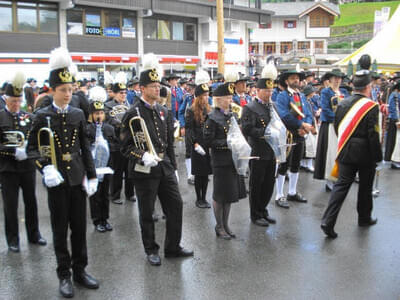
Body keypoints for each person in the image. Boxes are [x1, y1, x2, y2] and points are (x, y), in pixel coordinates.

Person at [27, 47, 99, 298]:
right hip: (56, 181)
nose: (68, 94)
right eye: (63, 90)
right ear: (52, 90)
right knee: (60, 229)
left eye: (70, 90)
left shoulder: (78, 113)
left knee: (79, 228)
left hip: (76, 178)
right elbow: (32, 149)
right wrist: (44, 167)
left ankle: (80, 270)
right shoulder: (41, 116)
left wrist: (91, 175)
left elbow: (85, 148)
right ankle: (64, 274)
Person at [120, 53, 193, 266]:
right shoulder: (133, 112)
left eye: (158, 85)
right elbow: (124, 145)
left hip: (164, 167)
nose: (157, 89)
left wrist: (174, 168)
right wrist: (141, 155)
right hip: (144, 170)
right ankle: (151, 249)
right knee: (147, 212)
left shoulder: (164, 111)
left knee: (176, 206)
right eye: (152, 86)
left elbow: (169, 143)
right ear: (142, 88)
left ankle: (173, 246)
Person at [321, 57, 383, 239]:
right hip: (365, 153)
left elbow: (337, 126)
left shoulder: (342, 102)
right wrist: (377, 156)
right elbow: (373, 134)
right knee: (365, 187)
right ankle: (364, 217)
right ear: (367, 87)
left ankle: (328, 221)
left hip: (346, 149)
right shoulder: (371, 106)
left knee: (340, 187)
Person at [0, 72, 46, 253]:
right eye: (13, 102)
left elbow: (35, 140)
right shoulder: (1, 117)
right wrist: (12, 150)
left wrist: (29, 150)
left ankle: (34, 235)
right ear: (6, 100)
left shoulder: (29, 117)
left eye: (18, 102)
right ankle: (13, 239)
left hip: (27, 167)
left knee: (31, 202)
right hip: (8, 168)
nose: (16, 105)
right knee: (10, 205)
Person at [204, 82, 243, 239]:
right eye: (227, 97)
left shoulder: (232, 115)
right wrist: (227, 142)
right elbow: (208, 141)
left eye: (231, 97)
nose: (230, 100)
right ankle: (219, 226)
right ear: (218, 99)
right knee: (220, 195)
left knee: (229, 195)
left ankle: (226, 224)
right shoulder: (212, 118)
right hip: (220, 161)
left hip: (232, 160)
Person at [241, 64, 278, 227]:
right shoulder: (249, 108)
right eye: (266, 91)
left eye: (271, 91)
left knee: (269, 183)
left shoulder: (272, 106)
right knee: (256, 184)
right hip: (257, 150)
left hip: (271, 151)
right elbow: (248, 129)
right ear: (258, 90)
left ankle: (263, 210)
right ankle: (255, 214)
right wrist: (265, 132)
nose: (269, 94)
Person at [275, 69, 314, 208]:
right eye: (292, 78)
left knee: (296, 163)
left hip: (300, 133)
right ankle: (279, 195)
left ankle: (292, 192)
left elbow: (308, 113)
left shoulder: (302, 96)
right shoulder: (282, 96)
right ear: (286, 81)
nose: (296, 80)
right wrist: (301, 124)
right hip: (287, 134)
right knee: (283, 164)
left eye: (297, 78)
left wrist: (306, 126)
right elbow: (284, 115)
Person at [87, 87, 118, 232]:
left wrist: (106, 145)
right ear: (91, 115)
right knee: (95, 194)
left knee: (105, 194)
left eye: (101, 113)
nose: (99, 116)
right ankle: (96, 219)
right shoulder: (87, 129)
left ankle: (105, 218)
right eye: (96, 113)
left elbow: (115, 145)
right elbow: (85, 146)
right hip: (93, 166)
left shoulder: (109, 129)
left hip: (106, 165)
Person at [104, 73, 136, 204]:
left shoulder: (130, 106)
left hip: (128, 142)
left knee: (130, 170)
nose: (123, 95)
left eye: (124, 92)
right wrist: (122, 125)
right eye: (121, 93)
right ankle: (115, 195)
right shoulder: (108, 106)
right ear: (115, 93)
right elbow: (109, 121)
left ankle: (130, 193)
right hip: (116, 142)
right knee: (117, 171)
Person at [314, 69, 346, 191]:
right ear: (330, 79)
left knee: (340, 152)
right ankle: (329, 179)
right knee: (330, 153)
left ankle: (338, 176)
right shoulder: (326, 92)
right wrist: (338, 119)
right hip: (330, 126)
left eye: (339, 78)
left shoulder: (343, 92)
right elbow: (326, 110)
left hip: (341, 126)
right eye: (335, 78)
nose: (337, 80)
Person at [185, 70, 212, 208]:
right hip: (197, 145)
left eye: (208, 95)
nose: (207, 97)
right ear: (199, 96)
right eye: (205, 95)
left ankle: (204, 198)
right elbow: (189, 130)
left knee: (205, 173)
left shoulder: (209, 109)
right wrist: (194, 144)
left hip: (206, 145)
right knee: (199, 174)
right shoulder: (191, 110)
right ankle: (198, 198)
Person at [384, 80, 400, 168]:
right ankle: (394, 161)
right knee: (394, 141)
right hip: (395, 120)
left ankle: (394, 160)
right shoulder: (395, 95)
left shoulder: (394, 94)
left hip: (395, 119)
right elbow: (394, 109)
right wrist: (397, 120)